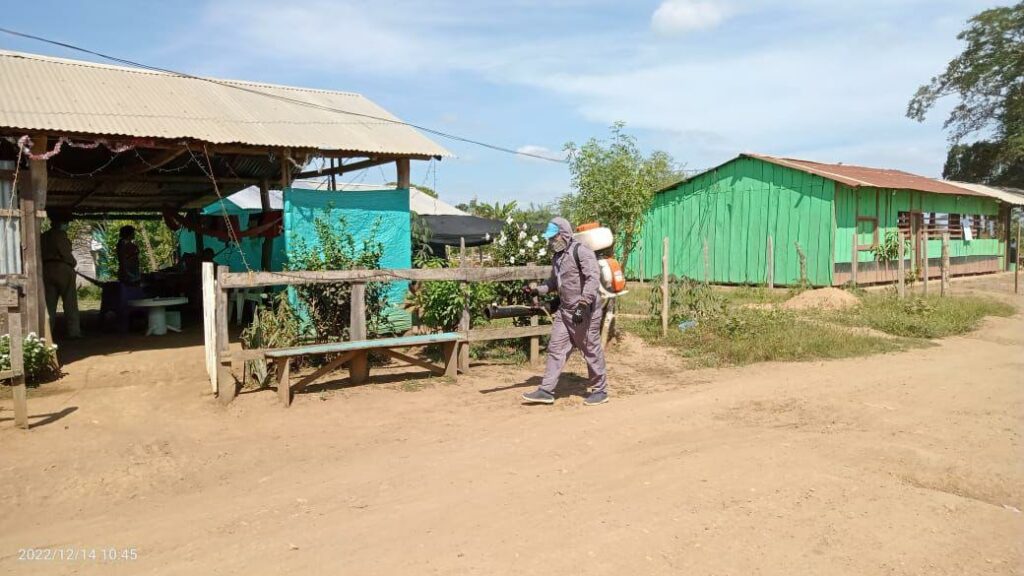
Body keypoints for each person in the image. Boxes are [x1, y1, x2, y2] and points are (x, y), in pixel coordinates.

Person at [522, 217, 609, 406]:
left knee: (590, 350)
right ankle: (546, 390)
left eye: (554, 238)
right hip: (565, 311)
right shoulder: (558, 257)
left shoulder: (582, 252)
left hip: (585, 311)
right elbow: (554, 283)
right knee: (555, 348)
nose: (551, 242)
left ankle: (600, 390)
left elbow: (593, 279)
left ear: (564, 234)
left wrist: (583, 305)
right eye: (550, 239)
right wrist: (538, 290)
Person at [40, 213, 82, 338]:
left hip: (46, 268)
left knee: (49, 305)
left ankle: (47, 335)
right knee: (70, 302)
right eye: (66, 223)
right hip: (62, 268)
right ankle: (74, 332)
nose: (67, 225)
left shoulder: (43, 236)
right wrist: (73, 263)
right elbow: (66, 254)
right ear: (61, 224)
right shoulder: (61, 235)